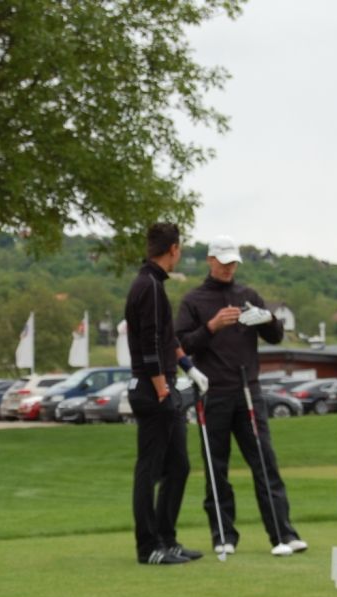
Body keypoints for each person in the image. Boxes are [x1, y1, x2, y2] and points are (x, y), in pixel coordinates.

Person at [174, 235, 307, 557]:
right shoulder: (194, 300)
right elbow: (182, 345)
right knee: (216, 467)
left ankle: (283, 534)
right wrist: (212, 326)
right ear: (210, 261)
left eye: (233, 262)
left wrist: (269, 319)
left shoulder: (248, 296)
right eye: (223, 262)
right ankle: (224, 536)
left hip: (249, 391)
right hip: (213, 393)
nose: (228, 268)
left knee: (265, 463)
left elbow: (275, 337)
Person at [124, 222, 209, 565]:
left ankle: (166, 539)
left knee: (178, 465)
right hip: (152, 389)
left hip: (164, 386)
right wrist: (162, 388)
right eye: (180, 249)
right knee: (149, 468)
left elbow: (168, 338)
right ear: (173, 249)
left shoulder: (154, 284)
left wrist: (190, 368)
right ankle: (148, 548)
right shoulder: (149, 287)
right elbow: (150, 343)